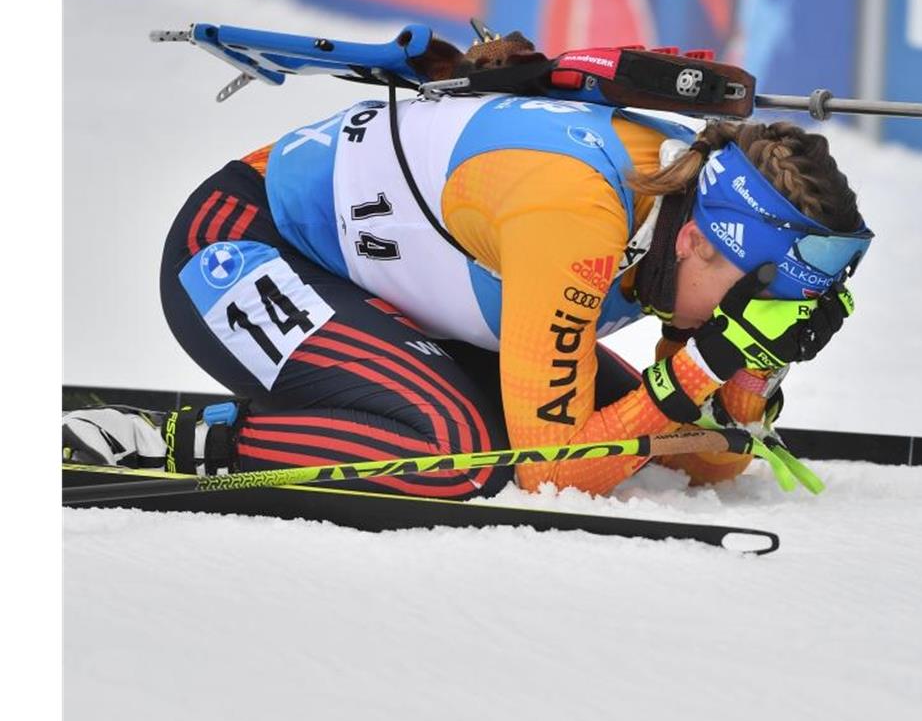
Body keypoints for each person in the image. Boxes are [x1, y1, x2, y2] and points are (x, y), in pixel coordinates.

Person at [63, 90, 870, 500]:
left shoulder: (684, 220)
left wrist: (755, 368)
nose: (744, 319)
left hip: (383, 282)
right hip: (237, 244)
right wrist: (708, 363)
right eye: (753, 301)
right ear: (695, 241)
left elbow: (713, 457)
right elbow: (553, 473)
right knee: (459, 453)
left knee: (642, 433)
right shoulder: (578, 219)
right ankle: (177, 443)